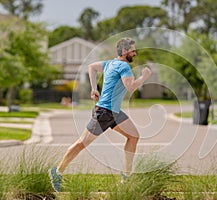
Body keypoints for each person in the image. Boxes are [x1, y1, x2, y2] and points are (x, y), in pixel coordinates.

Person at [49, 37, 152, 192]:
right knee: (81, 143)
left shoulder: (110, 63)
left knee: (134, 136)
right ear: (124, 51)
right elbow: (130, 87)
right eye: (133, 50)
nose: (135, 53)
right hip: (104, 112)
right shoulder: (123, 66)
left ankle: (126, 178)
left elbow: (92, 67)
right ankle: (57, 172)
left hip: (115, 113)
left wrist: (94, 88)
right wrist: (144, 77)